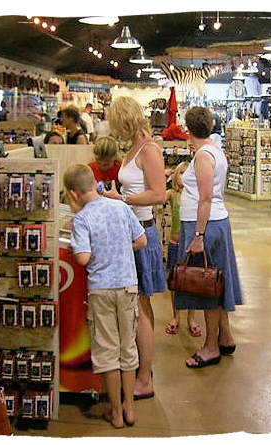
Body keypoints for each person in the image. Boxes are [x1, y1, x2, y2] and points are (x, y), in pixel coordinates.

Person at [64, 164, 147, 429]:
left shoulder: (82, 219)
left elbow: (84, 257)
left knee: (108, 351)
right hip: (127, 286)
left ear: (73, 194)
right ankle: (130, 408)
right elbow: (142, 240)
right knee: (128, 348)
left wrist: (81, 247)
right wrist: (122, 246)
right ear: (94, 183)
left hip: (100, 289)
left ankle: (116, 413)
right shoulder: (120, 207)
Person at [104, 96, 167, 400]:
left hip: (143, 234)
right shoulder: (134, 148)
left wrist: (123, 199)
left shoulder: (149, 150)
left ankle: (145, 378)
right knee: (137, 306)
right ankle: (143, 368)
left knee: (142, 307)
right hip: (131, 232)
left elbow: (159, 194)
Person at [176, 106, 242, 369]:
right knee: (216, 282)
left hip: (205, 225)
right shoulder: (213, 150)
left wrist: (199, 235)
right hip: (214, 221)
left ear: (188, 129)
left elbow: (205, 198)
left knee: (206, 287)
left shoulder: (203, 155)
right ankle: (225, 336)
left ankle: (210, 347)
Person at [164, 162, 201, 337]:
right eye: (180, 173)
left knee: (192, 281)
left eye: (187, 173)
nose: (183, 177)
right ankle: (176, 316)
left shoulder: (195, 196)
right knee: (174, 282)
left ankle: (191, 318)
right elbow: (157, 197)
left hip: (189, 245)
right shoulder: (171, 194)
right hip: (174, 244)